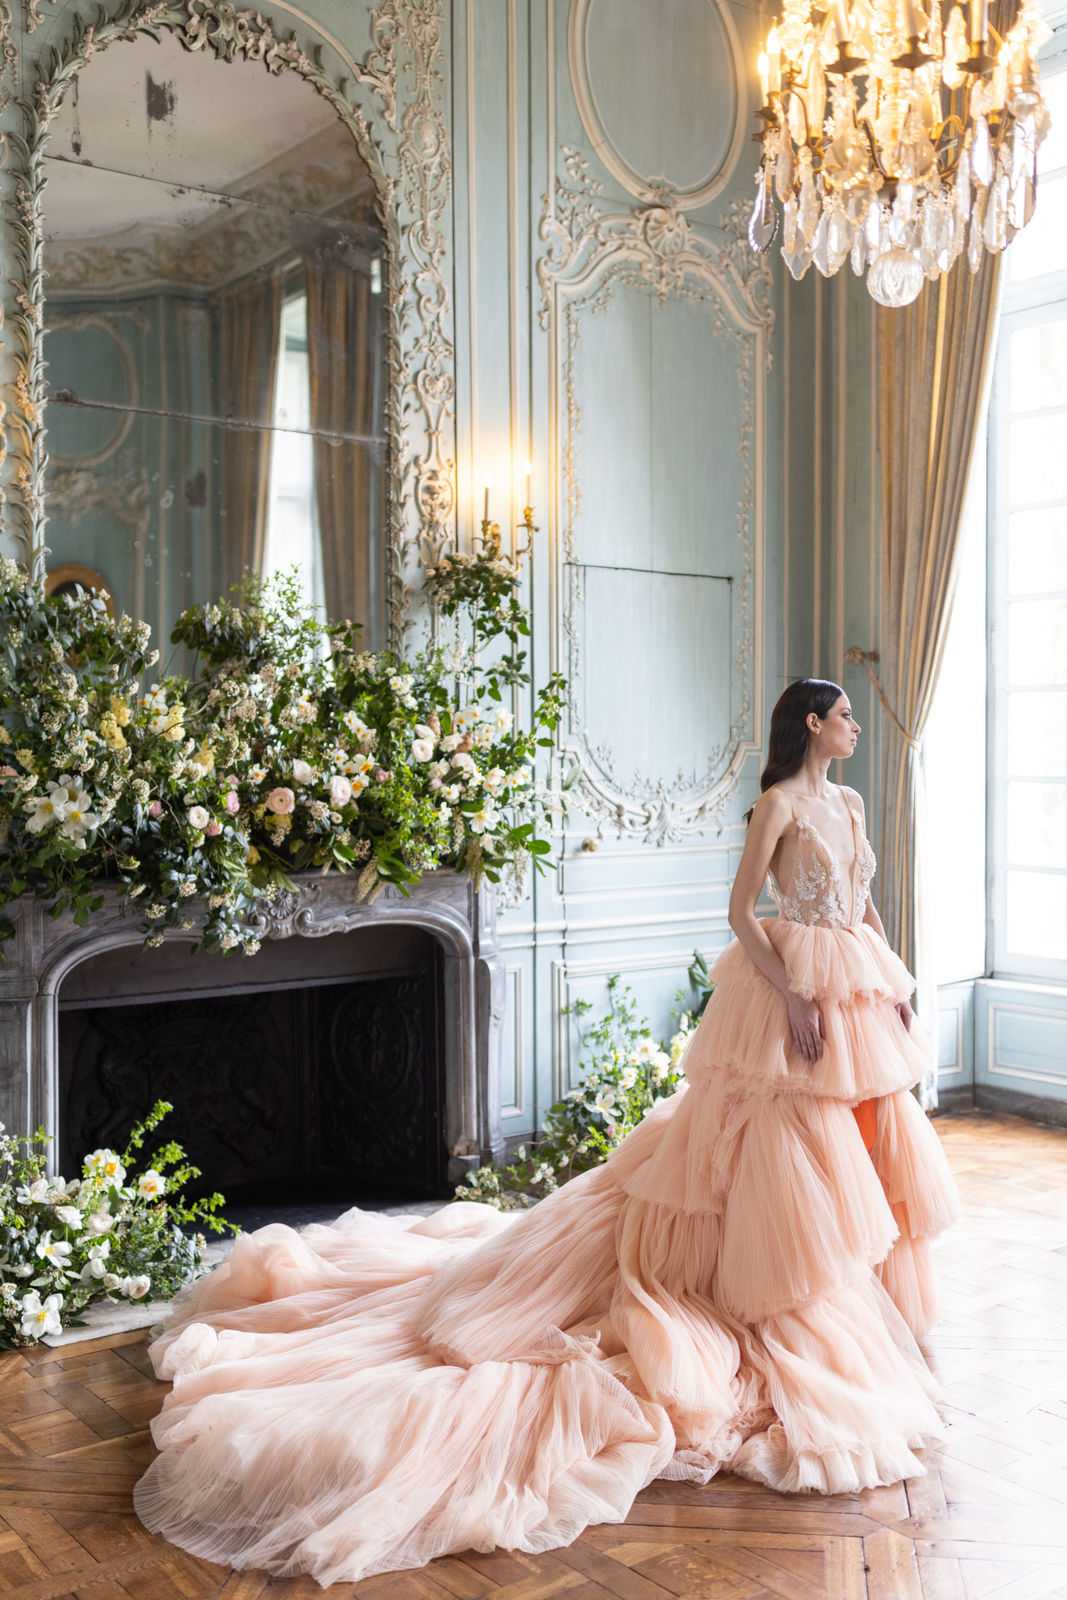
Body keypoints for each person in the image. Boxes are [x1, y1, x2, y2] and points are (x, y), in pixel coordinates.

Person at [132, 676, 960, 1587]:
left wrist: (896, 990)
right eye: (843, 717)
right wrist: (791, 990)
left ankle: (834, 1298)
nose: (852, 730)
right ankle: (769, 1295)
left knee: (852, 1154)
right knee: (778, 1152)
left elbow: (863, 906)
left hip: (856, 992)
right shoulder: (776, 805)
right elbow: (739, 917)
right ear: (812, 723)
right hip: (790, 995)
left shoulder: (846, 800)